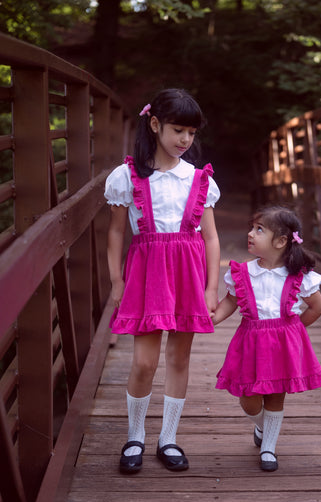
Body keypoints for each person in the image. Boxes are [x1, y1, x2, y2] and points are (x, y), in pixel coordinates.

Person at [105, 88, 220, 473]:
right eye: (177, 130)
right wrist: (116, 281)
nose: (185, 140)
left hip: (189, 274)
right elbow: (117, 233)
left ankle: (167, 439)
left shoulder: (199, 178)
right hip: (147, 273)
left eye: (191, 132)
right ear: (155, 124)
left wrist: (211, 288)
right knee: (143, 361)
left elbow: (211, 238)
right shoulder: (128, 176)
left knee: (179, 357)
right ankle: (134, 436)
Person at [213, 205, 321, 471]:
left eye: (259, 229)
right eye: (252, 228)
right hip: (250, 342)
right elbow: (230, 302)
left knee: (276, 396)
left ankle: (268, 447)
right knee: (248, 397)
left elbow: (317, 307)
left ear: (280, 241)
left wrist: (294, 331)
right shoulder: (243, 273)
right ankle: (262, 426)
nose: (251, 233)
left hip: (282, 345)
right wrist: (213, 318)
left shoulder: (299, 276)